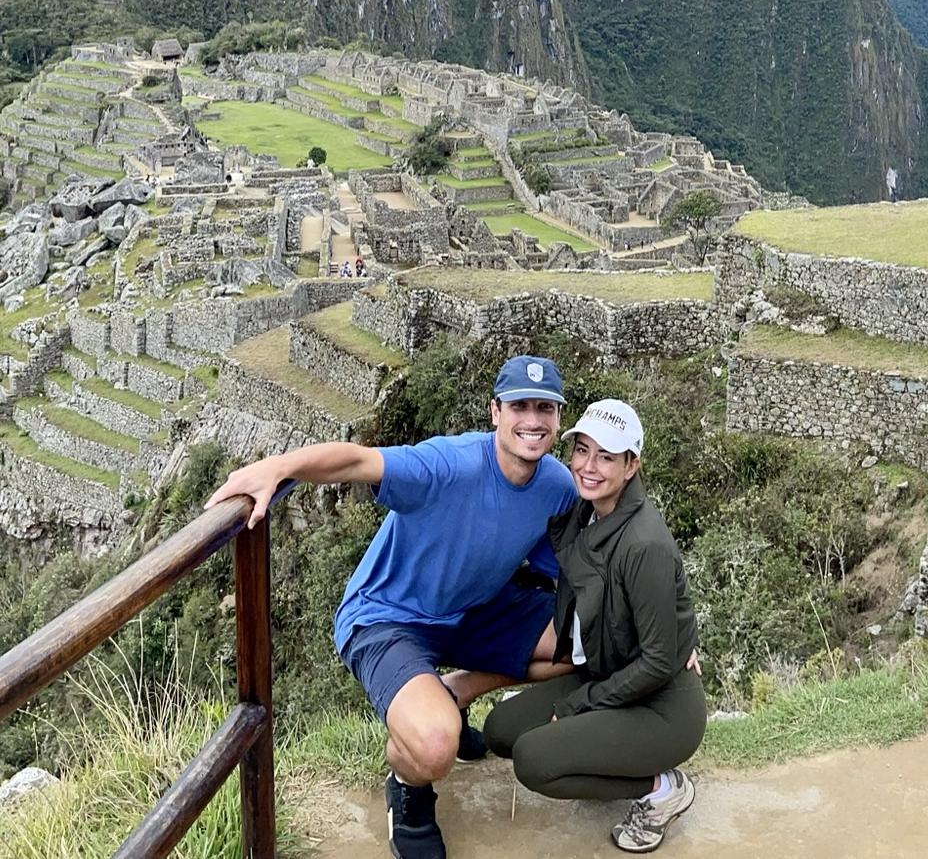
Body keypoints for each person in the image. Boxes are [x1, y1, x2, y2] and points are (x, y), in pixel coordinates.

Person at [206, 355, 578, 859]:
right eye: (519, 406)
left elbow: (582, 569)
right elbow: (359, 461)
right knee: (433, 746)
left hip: (471, 610)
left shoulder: (556, 486)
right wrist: (278, 467)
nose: (532, 421)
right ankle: (408, 788)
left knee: (590, 637)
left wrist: (665, 621)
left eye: (544, 409)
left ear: (558, 418)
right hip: (387, 617)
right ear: (495, 412)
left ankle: (453, 691)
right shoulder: (450, 464)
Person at [484, 398, 706, 854]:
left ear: (631, 465)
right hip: (608, 674)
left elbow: (661, 659)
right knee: (501, 731)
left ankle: (661, 789)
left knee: (534, 761)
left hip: (662, 706)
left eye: (606, 456)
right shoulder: (583, 514)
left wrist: (580, 704)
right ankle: (603, 750)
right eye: (582, 450)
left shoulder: (644, 546)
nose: (589, 466)